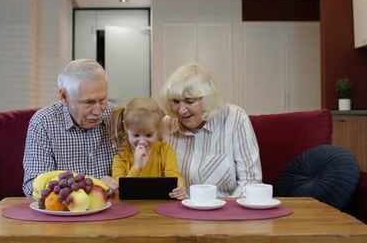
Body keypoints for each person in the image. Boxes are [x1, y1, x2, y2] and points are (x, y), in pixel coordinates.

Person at [160, 63, 262, 198]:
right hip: (176, 211)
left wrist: (227, 211)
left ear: (207, 100)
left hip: (224, 211)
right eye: (175, 101)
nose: (181, 110)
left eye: (189, 101)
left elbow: (250, 181)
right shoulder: (165, 125)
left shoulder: (236, 118)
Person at [22, 59, 119, 197]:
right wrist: (89, 186)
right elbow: (32, 188)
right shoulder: (43, 123)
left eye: (103, 100)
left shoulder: (116, 116)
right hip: (64, 213)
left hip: (114, 209)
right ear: (64, 97)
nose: (98, 111)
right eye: (89, 102)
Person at [110, 97, 186, 200]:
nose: (142, 142)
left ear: (158, 129)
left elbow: (173, 175)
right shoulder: (121, 158)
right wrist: (136, 167)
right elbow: (121, 189)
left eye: (149, 135)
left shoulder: (165, 150)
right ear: (125, 127)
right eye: (136, 135)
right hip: (130, 208)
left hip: (160, 206)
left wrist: (179, 187)